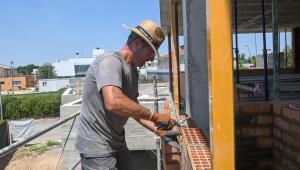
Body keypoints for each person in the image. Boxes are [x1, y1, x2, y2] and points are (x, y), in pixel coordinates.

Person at [75, 19, 181, 170]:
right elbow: (114, 102)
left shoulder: (132, 71)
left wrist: (160, 131)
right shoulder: (110, 62)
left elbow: (133, 109)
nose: (151, 58)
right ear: (137, 44)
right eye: (151, 52)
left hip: (116, 142)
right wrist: (155, 116)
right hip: (97, 148)